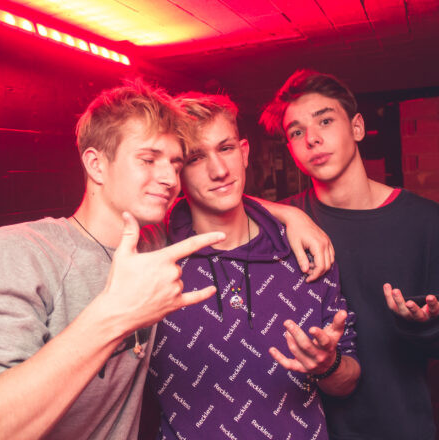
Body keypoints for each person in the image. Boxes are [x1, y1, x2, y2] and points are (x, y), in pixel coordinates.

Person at [0, 80, 228, 439]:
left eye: (175, 164)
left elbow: (222, 205)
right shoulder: (24, 252)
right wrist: (117, 314)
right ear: (96, 165)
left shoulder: (155, 243)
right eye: (148, 160)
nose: (170, 178)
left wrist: (291, 216)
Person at [147, 92, 360, 440]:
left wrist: (328, 365)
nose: (219, 171)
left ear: (244, 152)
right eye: (197, 157)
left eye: (226, 148)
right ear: (176, 169)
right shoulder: (153, 256)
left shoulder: (304, 249)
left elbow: (348, 381)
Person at [260, 69, 439, 440]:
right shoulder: (282, 226)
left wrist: (423, 325)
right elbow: (201, 204)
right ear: (291, 150)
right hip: (309, 429)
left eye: (325, 121)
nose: (312, 138)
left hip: (400, 426)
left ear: (357, 127)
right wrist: (289, 214)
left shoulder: (425, 220)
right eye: (297, 132)